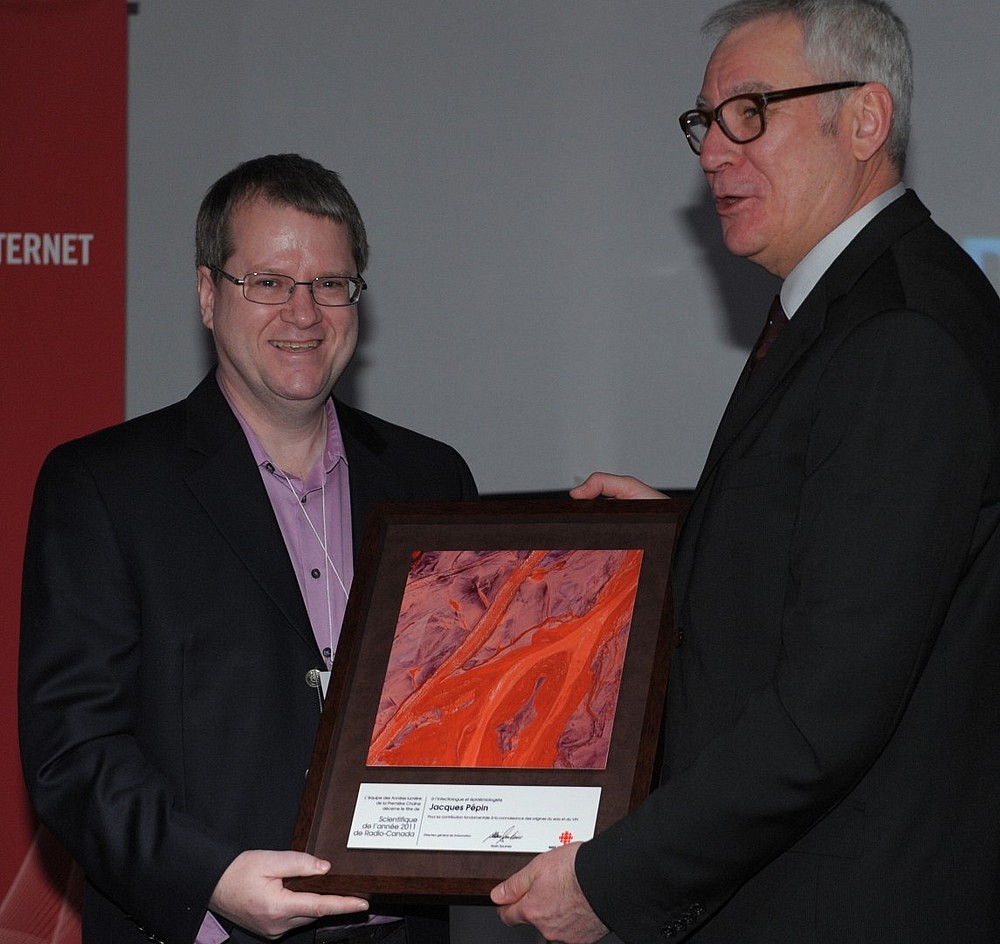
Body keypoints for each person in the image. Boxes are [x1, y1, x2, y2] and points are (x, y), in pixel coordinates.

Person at [491, 1, 1000, 941]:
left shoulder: (900, 333)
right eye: (706, 120)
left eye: (751, 112)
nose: (714, 152)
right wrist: (692, 532)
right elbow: (862, 552)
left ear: (865, 119)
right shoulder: (859, 301)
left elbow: (827, 713)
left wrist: (615, 880)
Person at [19, 154, 478, 944]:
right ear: (209, 294)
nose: (303, 313)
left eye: (330, 283)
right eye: (268, 282)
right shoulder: (103, 487)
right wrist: (212, 879)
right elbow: (74, 753)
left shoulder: (432, 477)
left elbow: (480, 704)